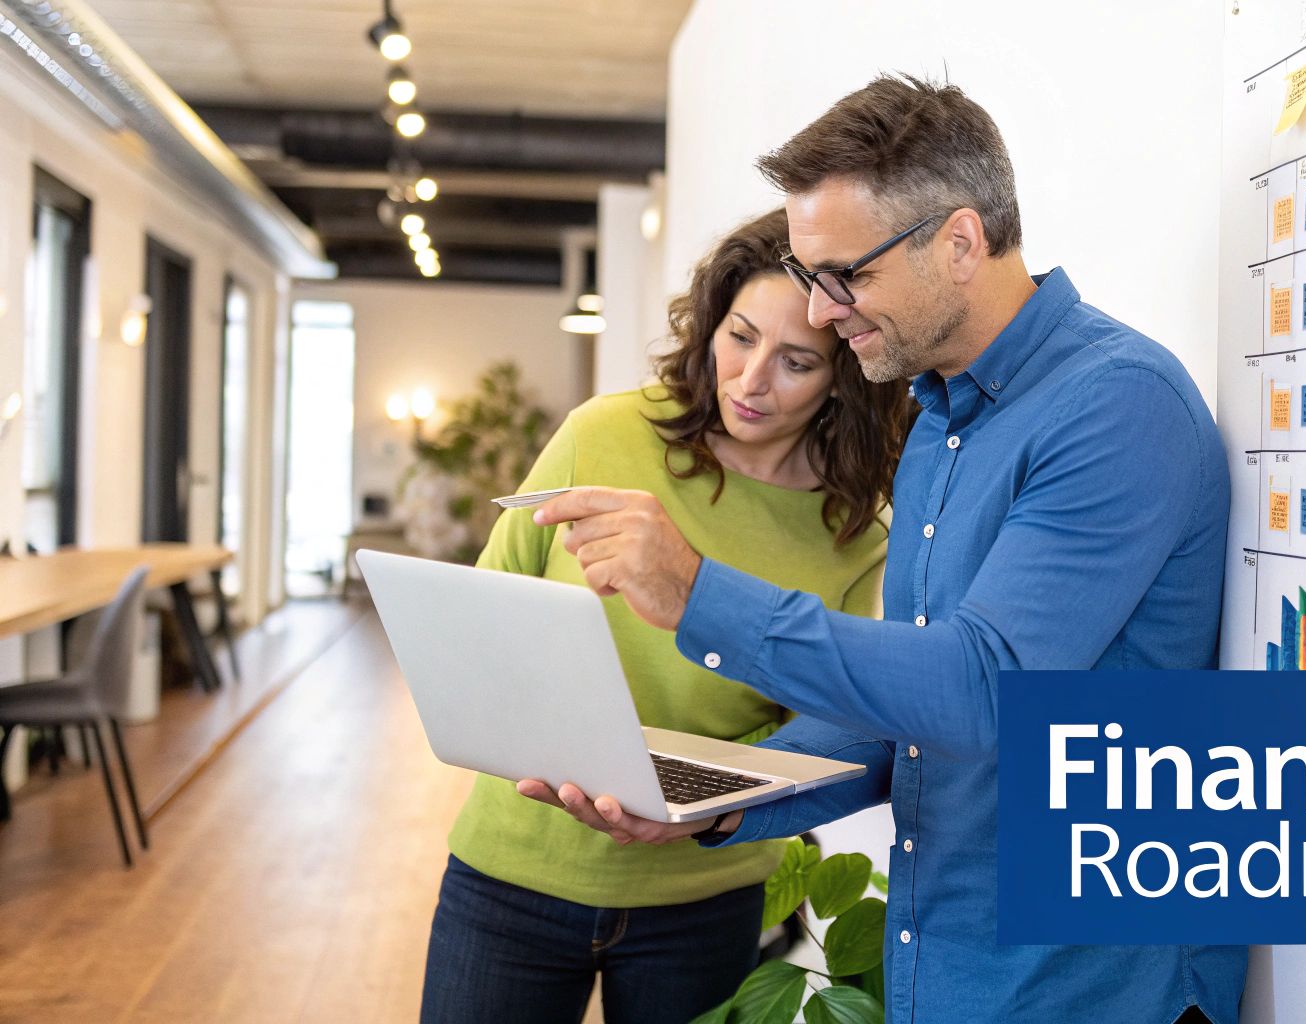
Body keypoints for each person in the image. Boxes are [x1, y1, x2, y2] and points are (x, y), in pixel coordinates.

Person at [520, 75, 1246, 1022]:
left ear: (958, 242)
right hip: (949, 973)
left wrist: (698, 591)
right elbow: (904, 711)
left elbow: (983, 690)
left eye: (845, 276)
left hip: (1086, 987)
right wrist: (717, 798)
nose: (819, 313)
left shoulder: (1118, 405)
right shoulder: (941, 422)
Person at [420, 207, 911, 1024]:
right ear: (710, 324)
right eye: (740, 337)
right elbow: (483, 615)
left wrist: (692, 799)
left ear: (844, 376)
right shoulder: (602, 434)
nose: (752, 382)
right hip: (514, 871)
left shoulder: (855, 528)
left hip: (703, 898)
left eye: (796, 361)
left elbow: (827, 719)